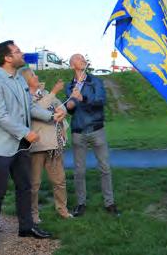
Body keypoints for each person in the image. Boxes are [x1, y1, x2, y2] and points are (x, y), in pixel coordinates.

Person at [0, 40, 66, 251]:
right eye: (17, 51)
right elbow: (0, 115)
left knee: (24, 187)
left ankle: (26, 227)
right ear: (7, 58)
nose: (22, 53)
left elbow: (29, 108)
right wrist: (26, 132)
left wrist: (51, 116)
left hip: (21, 145)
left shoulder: (19, 80)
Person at [65, 53, 119, 217]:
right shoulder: (70, 86)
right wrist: (71, 102)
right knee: (79, 171)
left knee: (104, 168)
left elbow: (100, 101)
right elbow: (70, 110)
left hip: (96, 129)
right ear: (72, 65)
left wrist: (83, 97)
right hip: (78, 131)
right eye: (79, 59)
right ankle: (81, 203)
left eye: (84, 58)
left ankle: (109, 203)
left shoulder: (95, 81)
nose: (83, 60)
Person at [20, 68, 73, 223]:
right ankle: (33, 214)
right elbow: (37, 110)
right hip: (36, 146)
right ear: (24, 80)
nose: (36, 76)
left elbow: (59, 105)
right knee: (34, 183)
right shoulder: (25, 97)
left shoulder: (45, 92)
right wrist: (54, 92)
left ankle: (62, 210)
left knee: (59, 181)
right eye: (32, 75)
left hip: (54, 144)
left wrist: (62, 111)